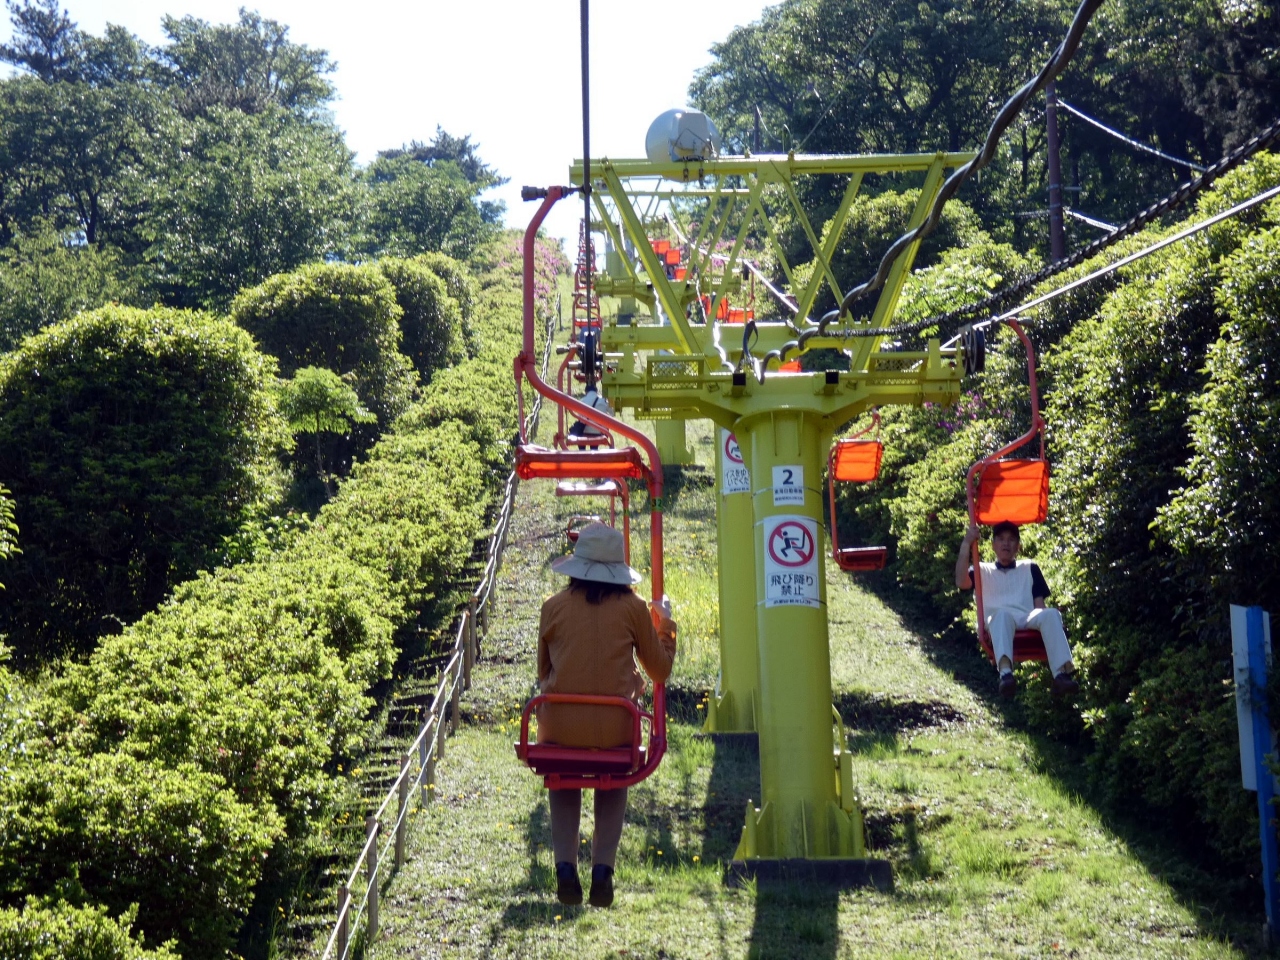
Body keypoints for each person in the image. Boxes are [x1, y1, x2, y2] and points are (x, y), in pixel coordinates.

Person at [538, 522, 677, 907]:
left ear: (577, 566)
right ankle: (603, 870)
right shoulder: (633, 609)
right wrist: (663, 625)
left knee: (562, 778)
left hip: (559, 725)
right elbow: (659, 670)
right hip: (617, 726)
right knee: (615, 777)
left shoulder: (552, 607)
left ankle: (565, 867)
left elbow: (544, 672)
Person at [955, 520, 1079, 699]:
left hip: (1026, 617)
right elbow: (961, 582)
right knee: (1002, 615)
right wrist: (967, 543)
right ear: (993, 545)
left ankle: (1061, 673)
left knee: (1051, 613)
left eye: (1011, 539)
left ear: (1018, 546)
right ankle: (1006, 673)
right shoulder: (981, 570)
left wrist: (1046, 628)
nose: (1006, 543)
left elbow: (1039, 606)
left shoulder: (1029, 567)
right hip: (999, 621)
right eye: (1001, 539)